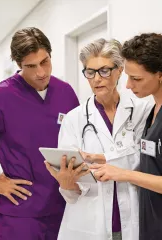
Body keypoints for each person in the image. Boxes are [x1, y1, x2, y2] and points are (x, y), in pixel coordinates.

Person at [0, 27, 79, 240]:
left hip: (65, 206)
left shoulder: (66, 92)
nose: (41, 72)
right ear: (18, 64)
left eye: (45, 62)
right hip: (21, 213)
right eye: (31, 66)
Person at [90, 33, 162, 240]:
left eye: (136, 78)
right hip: (155, 230)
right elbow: (156, 165)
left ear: (160, 75)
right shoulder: (155, 111)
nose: (128, 85)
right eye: (127, 76)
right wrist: (106, 161)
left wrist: (125, 174)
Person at [45, 38, 152, 240]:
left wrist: (104, 158)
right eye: (90, 72)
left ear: (120, 70)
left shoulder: (141, 111)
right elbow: (72, 191)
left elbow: (144, 162)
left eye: (104, 70)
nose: (96, 79)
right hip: (91, 223)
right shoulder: (74, 119)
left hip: (133, 218)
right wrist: (67, 184)